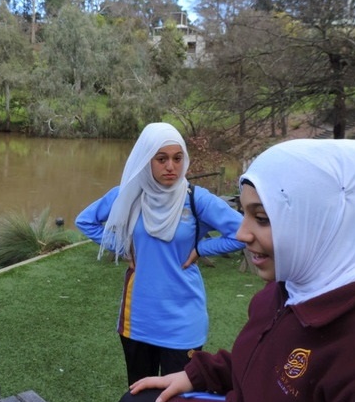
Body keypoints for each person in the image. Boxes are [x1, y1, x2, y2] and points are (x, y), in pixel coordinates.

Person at [113, 138, 355, 402]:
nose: (242, 234)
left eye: (261, 218)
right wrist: (199, 374)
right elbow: (264, 361)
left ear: (322, 223)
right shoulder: (289, 291)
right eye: (245, 215)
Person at [75, 122, 244, 386]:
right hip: (138, 319)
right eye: (161, 159)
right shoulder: (129, 195)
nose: (171, 167)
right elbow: (85, 221)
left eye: (177, 158)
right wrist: (122, 246)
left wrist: (201, 249)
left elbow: (242, 232)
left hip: (183, 320)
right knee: (140, 399)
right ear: (147, 160)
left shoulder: (196, 199)